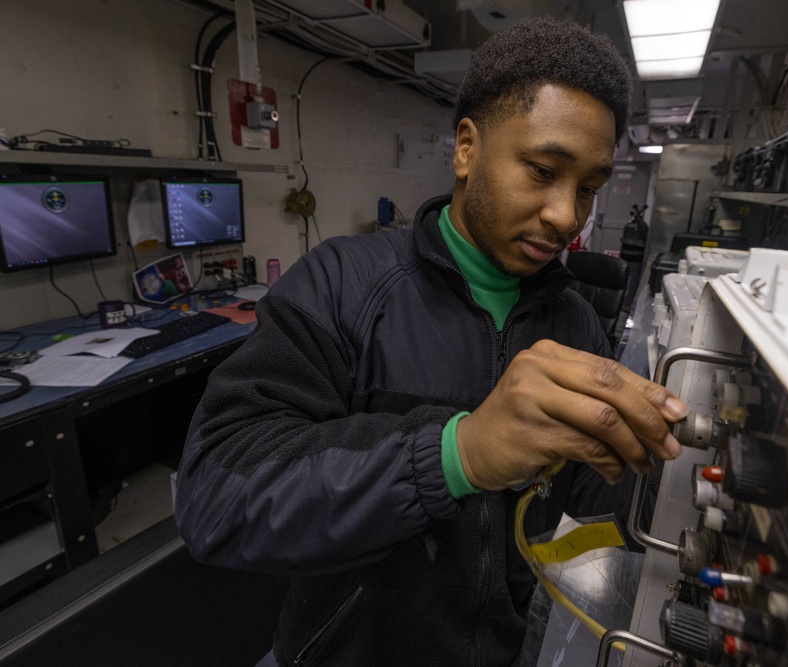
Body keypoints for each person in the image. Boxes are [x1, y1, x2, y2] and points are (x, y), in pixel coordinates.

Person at [175, 16, 688, 666]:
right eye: (540, 170)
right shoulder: (343, 288)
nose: (567, 216)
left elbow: (576, 514)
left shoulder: (577, 325)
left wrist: (651, 471)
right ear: (467, 148)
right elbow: (214, 499)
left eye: (587, 189)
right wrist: (456, 452)